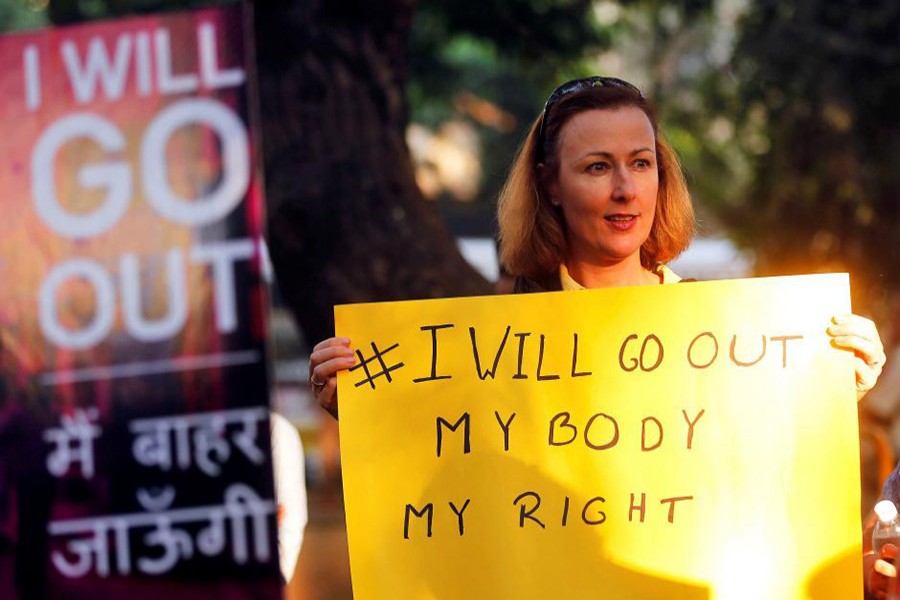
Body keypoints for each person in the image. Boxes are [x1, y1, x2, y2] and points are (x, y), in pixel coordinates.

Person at [309, 75, 885, 413]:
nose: (625, 189)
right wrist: (360, 405)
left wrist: (833, 390)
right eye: (597, 167)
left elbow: (769, 454)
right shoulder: (492, 344)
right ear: (550, 184)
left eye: (642, 163)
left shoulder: (727, 334)